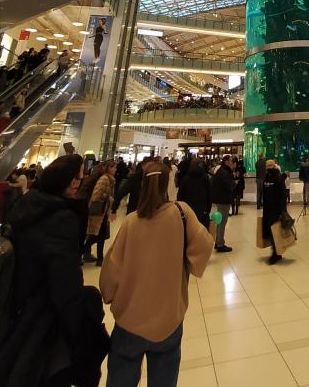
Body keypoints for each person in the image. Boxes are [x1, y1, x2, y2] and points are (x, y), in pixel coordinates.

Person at [0, 154, 109, 387]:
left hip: (15, 308)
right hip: (43, 322)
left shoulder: (26, 204)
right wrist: (79, 339)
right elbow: (66, 288)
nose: (80, 182)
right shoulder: (61, 220)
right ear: (68, 180)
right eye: (78, 177)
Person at [100, 162, 213, 387]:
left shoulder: (131, 222)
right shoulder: (181, 213)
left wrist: (109, 295)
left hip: (130, 320)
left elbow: (111, 270)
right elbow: (203, 248)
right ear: (167, 183)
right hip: (168, 318)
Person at [84, 159, 116, 265]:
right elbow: (96, 195)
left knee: (101, 235)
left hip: (103, 211)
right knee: (97, 235)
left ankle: (99, 258)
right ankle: (91, 254)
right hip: (99, 212)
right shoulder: (104, 179)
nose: (115, 169)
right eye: (112, 167)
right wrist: (108, 197)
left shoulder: (110, 179)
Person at [262, 159, 287, 265]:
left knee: (274, 231)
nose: (268, 168)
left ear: (274, 166)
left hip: (276, 209)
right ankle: (276, 252)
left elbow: (282, 195)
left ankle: (275, 253)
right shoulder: (267, 176)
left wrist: (283, 210)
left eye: (270, 166)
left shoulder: (278, 177)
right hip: (267, 208)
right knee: (270, 231)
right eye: (267, 166)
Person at [177, 158, 211, 229]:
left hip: (188, 207)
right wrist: (208, 209)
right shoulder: (204, 177)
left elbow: (180, 195)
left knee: (189, 229)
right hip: (202, 207)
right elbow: (209, 193)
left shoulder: (186, 178)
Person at [210, 154, 234, 252]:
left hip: (221, 199)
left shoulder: (221, 171)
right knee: (222, 221)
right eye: (231, 161)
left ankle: (218, 241)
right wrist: (233, 184)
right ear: (226, 162)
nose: (232, 162)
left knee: (220, 221)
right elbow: (228, 186)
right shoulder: (224, 172)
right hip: (223, 199)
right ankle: (220, 244)